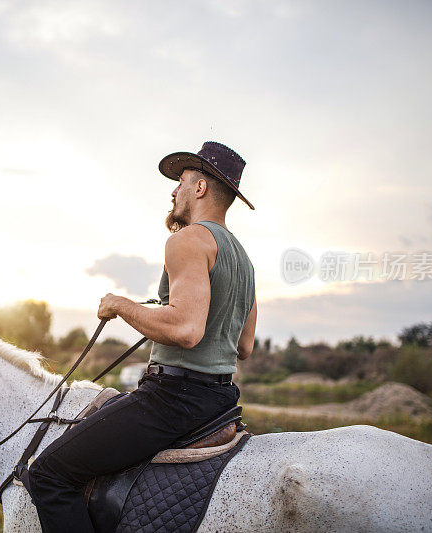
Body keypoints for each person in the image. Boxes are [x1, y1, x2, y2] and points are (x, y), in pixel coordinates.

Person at [25, 141, 258, 532]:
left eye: (181, 182)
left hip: (173, 400)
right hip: (221, 399)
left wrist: (121, 304)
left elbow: (186, 329)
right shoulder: (245, 260)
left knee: (48, 474)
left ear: (200, 188)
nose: (173, 191)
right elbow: (245, 346)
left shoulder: (187, 240)